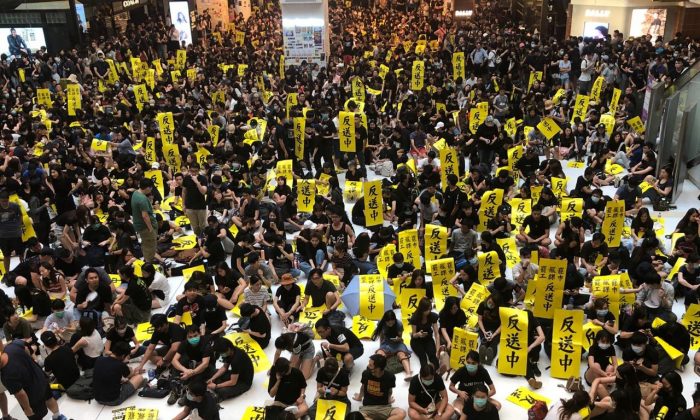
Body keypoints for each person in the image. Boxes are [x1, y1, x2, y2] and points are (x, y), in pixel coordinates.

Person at [0, 339, 67, 420]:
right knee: (49, 398)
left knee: (35, 416)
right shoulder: (12, 346)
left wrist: (27, 408)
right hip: (40, 377)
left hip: (32, 393)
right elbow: (26, 349)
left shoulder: (7, 376)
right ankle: (58, 416)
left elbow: (21, 394)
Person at [353, 354, 406, 420]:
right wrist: (359, 397)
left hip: (384, 407)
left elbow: (390, 390)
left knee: (402, 413)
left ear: (378, 368)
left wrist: (389, 399)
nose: (368, 366)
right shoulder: (365, 374)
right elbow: (363, 387)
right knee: (357, 417)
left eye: (370, 365)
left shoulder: (390, 376)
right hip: (367, 408)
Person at [92, 341, 145, 406]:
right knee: (139, 377)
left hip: (97, 398)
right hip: (113, 400)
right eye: (127, 356)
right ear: (123, 356)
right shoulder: (120, 365)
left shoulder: (99, 359)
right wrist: (135, 371)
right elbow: (130, 375)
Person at [207, 337, 254, 401]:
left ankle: (219, 393)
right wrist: (213, 378)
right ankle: (216, 383)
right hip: (236, 375)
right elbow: (224, 367)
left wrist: (216, 386)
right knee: (213, 372)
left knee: (222, 391)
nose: (221, 354)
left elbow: (233, 382)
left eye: (221, 352)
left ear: (229, 348)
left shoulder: (236, 360)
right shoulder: (231, 352)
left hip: (244, 382)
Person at [373, 310, 413, 380]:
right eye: (389, 322)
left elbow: (401, 338)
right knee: (379, 355)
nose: (391, 323)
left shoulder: (399, 324)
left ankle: (408, 373)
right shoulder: (381, 323)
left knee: (402, 355)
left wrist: (398, 339)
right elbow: (381, 336)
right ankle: (377, 373)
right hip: (386, 343)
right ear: (385, 321)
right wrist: (381, 347)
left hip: (397, 343)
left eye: (392, 321)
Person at [131, 178, 157, 262]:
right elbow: (145, 216)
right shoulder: (142, 199)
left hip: (139, 224)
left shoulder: (135, 193)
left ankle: (147, 260)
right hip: (145, 226)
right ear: (147, 188)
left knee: (145, 244)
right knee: (150, 245)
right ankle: (148, 263)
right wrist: (150, 228)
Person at [410, 297, 440, 369]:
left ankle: (435, 372)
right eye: (426, 310)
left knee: (432, 356)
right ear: (422, 309)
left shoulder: (432, 316)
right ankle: (425, 374)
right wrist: (418, 334)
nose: (428, 311)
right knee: (423, 357)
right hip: (416, 341)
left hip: (428, 339)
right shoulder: (415, 318)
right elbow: (413, 335)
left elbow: (436, 334)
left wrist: (438, 350)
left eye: (430, 309)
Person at [0, 190, 24, 275]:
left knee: (21, 253)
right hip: (3, 236)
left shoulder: (15, 206)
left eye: (6, 201)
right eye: (2, 201)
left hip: (16, 234)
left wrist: (19, 225)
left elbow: (21, 215)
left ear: (8, 199)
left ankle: (24, 268)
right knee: (6, 255)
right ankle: (7, 273)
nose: (4, 203)